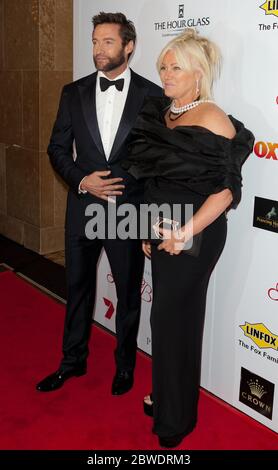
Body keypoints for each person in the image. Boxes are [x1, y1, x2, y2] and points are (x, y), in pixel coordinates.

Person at [123, 29, 254, 447]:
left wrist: (185, 232)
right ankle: (166, 396)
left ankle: (175, 420)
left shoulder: (213, 117)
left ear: (198, 74)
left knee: (174, 322)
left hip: (195, 232)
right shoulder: (165, 113)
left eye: (175, 66)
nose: (165, 73)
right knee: (165, 320)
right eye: (163, 65)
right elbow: (155, 178)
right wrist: (148, 229)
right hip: (163, 229)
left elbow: (226, 190)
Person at [36, 12, 162, 394]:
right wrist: (81, 180)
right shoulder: (72, 92)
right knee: (76, 289)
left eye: (107, 42)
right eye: (94, 41)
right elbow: (57, 148)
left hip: (128, 211)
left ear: (129, 46)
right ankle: (72, 361)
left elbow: (157, 160)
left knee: (128, 294)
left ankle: (125, 366)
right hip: (83, 208)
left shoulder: (152, 95)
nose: (98, 49)